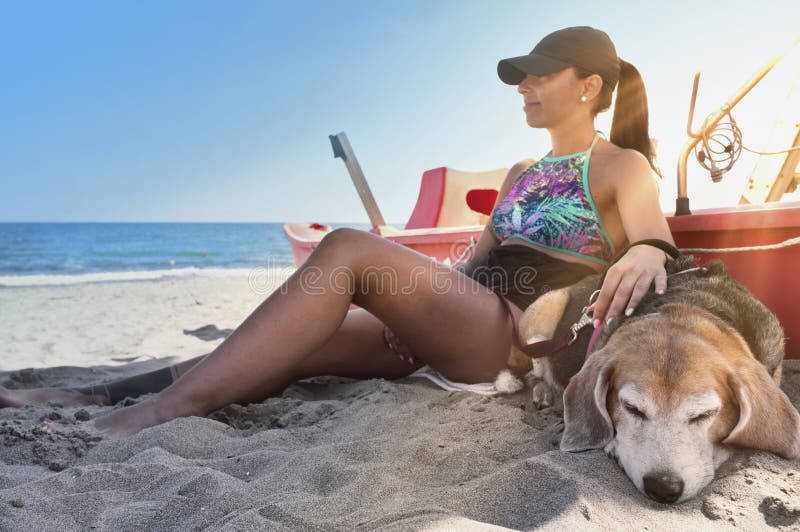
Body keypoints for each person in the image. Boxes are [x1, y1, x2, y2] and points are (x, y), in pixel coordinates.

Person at [0, 26, 674, 435]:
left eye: (538, 75)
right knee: (297, 341)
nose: (523, 85)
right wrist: (419, 312)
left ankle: (162, 414)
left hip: (510, 334)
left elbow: (653, 239)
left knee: (346, 248)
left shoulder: (621, 165)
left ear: (587, 87)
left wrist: (647, 251)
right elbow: (479, 255)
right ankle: (102, 391)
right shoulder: (524, 169)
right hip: (464, 314)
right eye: (520, 76)